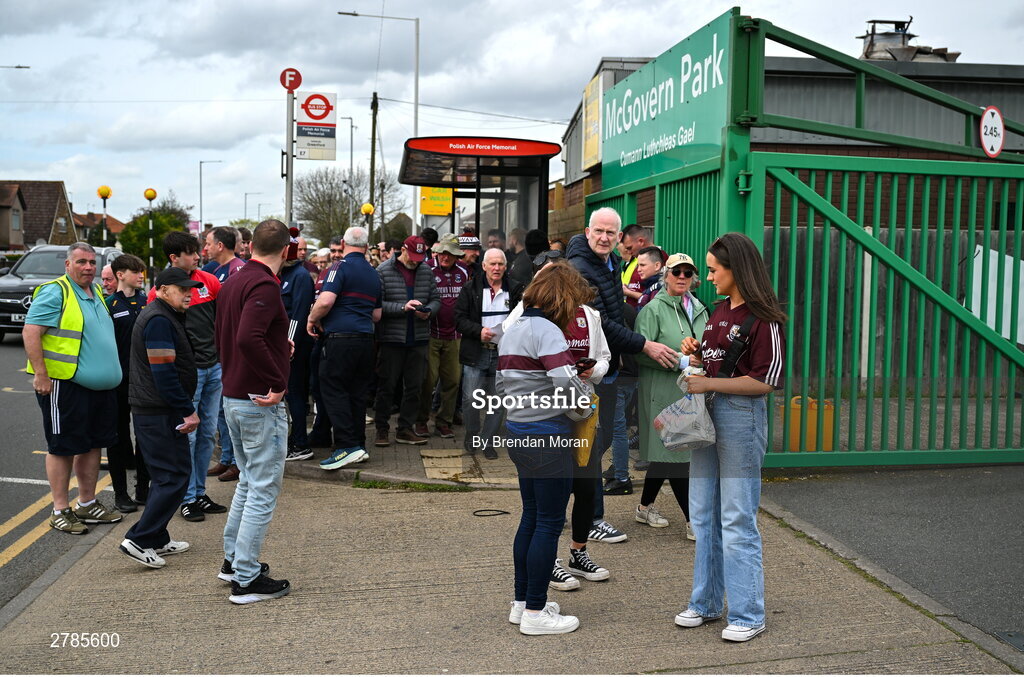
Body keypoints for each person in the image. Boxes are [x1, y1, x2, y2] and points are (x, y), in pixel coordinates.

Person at [676, 232, 786, 642]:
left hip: (741, 419)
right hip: (709, 415)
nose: (706, 276)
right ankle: (705, 604)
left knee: (737, 518)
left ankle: (747, 613)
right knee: (703, 514)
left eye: (712, 269)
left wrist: (710, 385)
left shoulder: (764, 318)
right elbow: (713, 364)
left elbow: (766, 381)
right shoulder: (718, 311)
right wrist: (695, 353)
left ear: (735, 270)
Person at [567, 207, 678, 543]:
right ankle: (590, 518)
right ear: (588, 232)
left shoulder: (609, 261)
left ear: (619, 238)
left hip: (608, 367)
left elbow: (616, 311)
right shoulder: (582, 268)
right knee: (589, 443)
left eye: (610, 233)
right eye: (598, 231)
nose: (604, 237)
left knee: (594, 443)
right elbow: (602, 323)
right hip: (591, 372)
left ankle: (574, 510)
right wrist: (646, 345)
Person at [498, 262, 594, 636]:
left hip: (518, 430)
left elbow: (503, 387)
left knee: (531, 518)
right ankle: (537, 613)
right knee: (550, 523)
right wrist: (584, 405)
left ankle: (523, 603)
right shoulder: (549, 332)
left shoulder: (515, 328)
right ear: (563, 299)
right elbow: (568, 390)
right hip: (549, 434)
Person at [215, 219, 294, 604]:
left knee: (248, 481)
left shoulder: (235, 280)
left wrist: (279, 350)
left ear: (249, 247)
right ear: (287, 250)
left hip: (234, 395)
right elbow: (248, 337)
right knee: (262, 488)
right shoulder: (263, 284)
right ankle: (245, 579)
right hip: (257, 401)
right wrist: (277, 380)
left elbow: (231, 335)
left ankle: (234, 562)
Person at [23, 242, 123, 534]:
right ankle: (59, 509)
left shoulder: (96, 293)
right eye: (81, 262)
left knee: (93, 443)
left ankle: (87, 503)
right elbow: (31, 331)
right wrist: (41, 374)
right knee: (63, 446)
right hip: (65, 385)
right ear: (67, 265)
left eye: (92, 262)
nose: (88, 267)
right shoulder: (57, 291)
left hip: (99, 389)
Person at [118, 267, 202, 569]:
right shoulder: (158, 319)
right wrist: (187, 410)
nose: (189, 294)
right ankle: (139, 538)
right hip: (158, 411)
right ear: (164, 289)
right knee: (173, 476)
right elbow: (164, 373)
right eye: (183, 289)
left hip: (158, 410)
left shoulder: (164, 315)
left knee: (172, 474)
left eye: (191, 289)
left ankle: (157, 536)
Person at [148, 231, 228, 520]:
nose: (198, 256)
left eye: (198, 251)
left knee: (207, 433)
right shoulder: (162, 290)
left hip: (214, 367)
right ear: (174, 258)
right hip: (188, 373)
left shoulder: (209, 281)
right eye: (191, 253)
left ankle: (198, 492)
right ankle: (187, 497)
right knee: (189, 437)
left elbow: (223, 320)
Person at [634, 253, 708, 540]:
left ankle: (644, 507)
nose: (681, 277)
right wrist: (681, 361)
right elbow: (640, 353)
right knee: (677, 456)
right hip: (663, 392)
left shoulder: (701, 309)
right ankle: (694, 522)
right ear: (665, 275)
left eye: (687, 273)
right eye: (676, 272)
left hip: (692, 392)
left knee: (666, 456)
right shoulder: (652, 310)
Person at [307, 225, 382, 469]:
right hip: (366, 339)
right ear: (367, 246)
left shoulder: (338, 268)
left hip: (340, 338)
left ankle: (346, 446)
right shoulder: (374, 274)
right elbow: (377, 315)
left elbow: (326, 301)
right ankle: (358, 445)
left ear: (342, 243)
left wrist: (311, 319)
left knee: (333, 390)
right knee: (357, 394)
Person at [454, 248, 524, 458]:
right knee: (469, 399)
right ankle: (472, 432)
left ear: (506, 266)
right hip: (477, 351)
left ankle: (488, 441)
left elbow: (523, 318)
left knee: (499, 400)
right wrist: (479, 331)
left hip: (503, 354)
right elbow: (458, 319)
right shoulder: (470, 288)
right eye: (492, 264)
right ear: (484, 266)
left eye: (500, 264)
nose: (496, 268)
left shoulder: (516, 289)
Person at [373, 236, 440, 446]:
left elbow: (436, 299)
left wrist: (428, 312)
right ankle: (381, 429)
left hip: (418, 338)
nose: (416, 261)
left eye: (421, 257)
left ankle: (405, 428)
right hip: (392, 339)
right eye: (413, 256)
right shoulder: (383, 271)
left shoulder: (425, 270)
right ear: (402, 249)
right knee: (387, 386)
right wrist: (403, 308)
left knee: (415, 387)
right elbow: (377, 306)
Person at [106, 253, 150, 512]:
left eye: (141, 270)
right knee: (118, 438)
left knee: (144, 437)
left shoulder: (147, 302)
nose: (140, 275)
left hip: (144, 382)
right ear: (120, 274)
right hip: (118, 381)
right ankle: (120, 494)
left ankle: (143, 490)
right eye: (136, 271)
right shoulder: (108, 304)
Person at [201, 226, 245, 482]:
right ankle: (227, 458)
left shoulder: (237, 269)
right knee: (220, 410)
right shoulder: (214, 271)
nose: (204, 248)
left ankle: (238, 462)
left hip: (232, 352)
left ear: (220, 245)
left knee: (231, 410)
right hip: (218, 349)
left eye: (208, 243)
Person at [415, 234, 469, 439]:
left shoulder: (464, 271)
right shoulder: (426, 268)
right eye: (443, 252)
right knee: (428, 381)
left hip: (455, 335)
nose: (446, 257)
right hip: (430, 334)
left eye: (450, 254)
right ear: (437, 252)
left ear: (457, 255)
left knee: (453, 381)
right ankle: (421, 421)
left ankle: (444, 421)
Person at [280, 234, 316, 461]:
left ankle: (301, 442)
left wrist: (289, 347)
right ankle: (295, 438)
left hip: (296, 347)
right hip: (285, 345)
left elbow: (299, 316)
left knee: (296, 394)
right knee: (290, 395)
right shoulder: (283, 274)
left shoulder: (300, 276)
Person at [620, 224, 653, 307]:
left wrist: (628, 292)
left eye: (629, 248)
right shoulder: (636, 260)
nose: (628, 252)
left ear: (641, 241)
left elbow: (654, 298)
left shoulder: (659, 259)